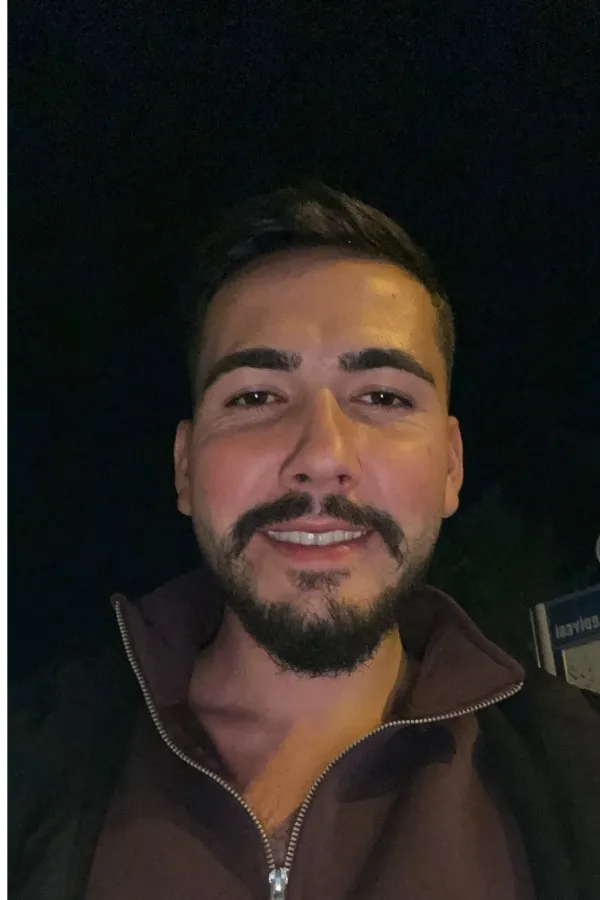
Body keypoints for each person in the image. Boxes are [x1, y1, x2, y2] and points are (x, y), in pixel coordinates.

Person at [9, 183, 600, 900]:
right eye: (256, 396)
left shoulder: (580, 774)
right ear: (185, 468)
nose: (322, 455)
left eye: (383, 396)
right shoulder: (26, 765)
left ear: (451, 466)